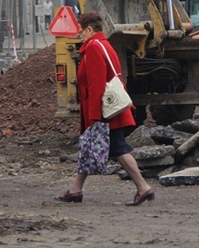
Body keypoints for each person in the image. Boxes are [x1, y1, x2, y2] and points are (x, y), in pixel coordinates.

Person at [55, 11, 154, 207]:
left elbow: (96, 85)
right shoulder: (105, 45)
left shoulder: (93, 48)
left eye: (81, 31)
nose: (79, 35)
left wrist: (95, 118)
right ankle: (76, 190)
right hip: (108, 111)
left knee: (118, 148)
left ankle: (143, 188)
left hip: (104, 113)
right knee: (89, 147)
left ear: (89, 29)